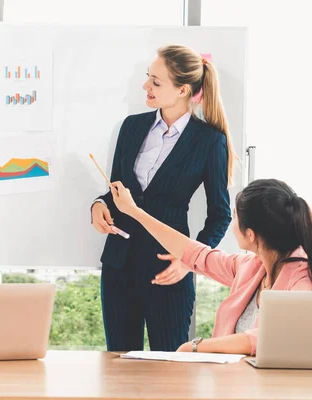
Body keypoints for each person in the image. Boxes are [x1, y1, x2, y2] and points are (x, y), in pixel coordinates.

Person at [91, 44, 235, 351]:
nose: (146, 86)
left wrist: (191, 263)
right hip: (119, 264)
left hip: (168, 268)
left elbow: (220, 214)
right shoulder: (132, 127)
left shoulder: (209, 141)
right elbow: (116, 188)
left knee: (172, 368)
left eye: (156, 82)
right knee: (119, 366)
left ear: (183, 89)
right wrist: (100, 204)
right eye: (148, 78)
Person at [110, 178, 312, 355]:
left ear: (250, 235)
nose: (232, 225)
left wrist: (198, 346)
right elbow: (194, 252)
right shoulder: (252, 268)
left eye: (235, 218)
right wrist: (135, 213)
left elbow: (271, 337)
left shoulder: (303, 282)